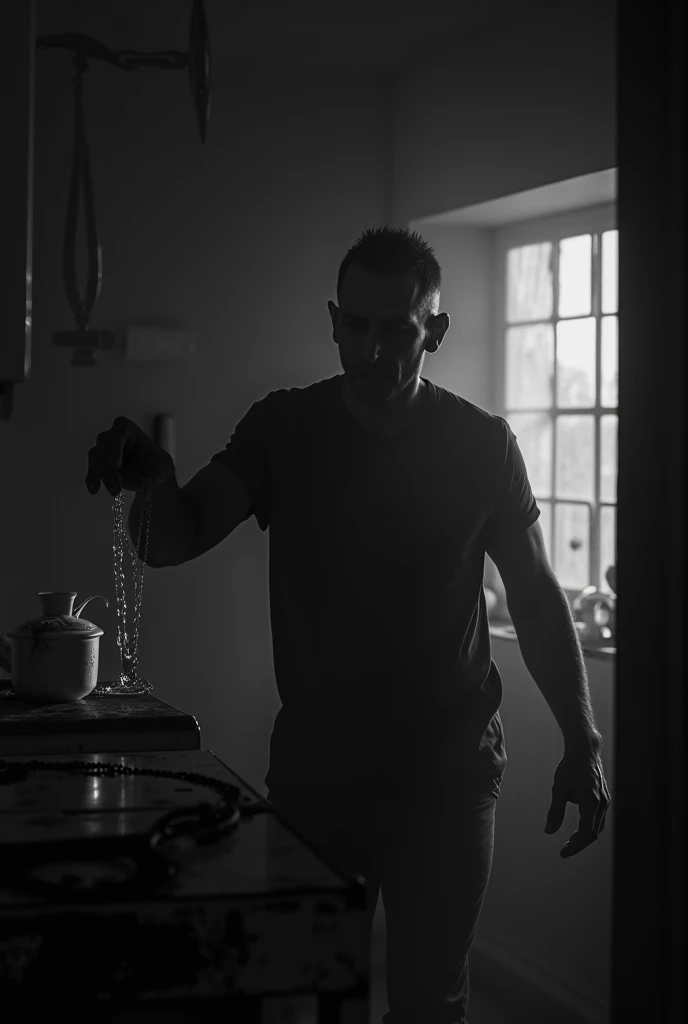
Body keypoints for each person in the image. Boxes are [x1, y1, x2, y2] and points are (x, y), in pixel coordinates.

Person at [86, 226, 610, 1024]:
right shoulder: (283, 429)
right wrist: (148, 484)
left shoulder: (482, 444)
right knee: (308, 989)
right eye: (356, 327)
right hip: (319, 774)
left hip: (450, 772)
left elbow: (536, 599)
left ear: (433, 330)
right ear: (333, 321)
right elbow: (174, 539)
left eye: (397, 329)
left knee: (431, 1001)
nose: (371, 351)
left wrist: (582, 738)